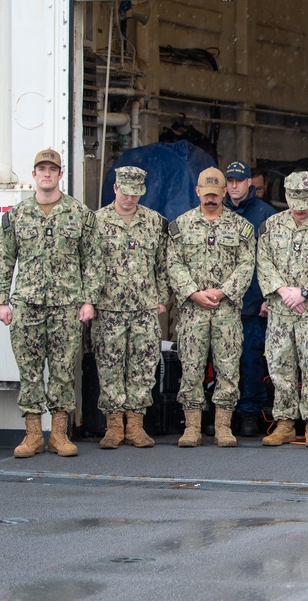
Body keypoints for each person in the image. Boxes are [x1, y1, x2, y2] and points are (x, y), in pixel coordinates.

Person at [0, 148, 97, 458]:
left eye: (53, 169)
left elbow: (92, 261)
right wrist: (1, 300)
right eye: (42, 169)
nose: (47, 173)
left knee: (64, 371)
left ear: (61, 174)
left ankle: (60, 434)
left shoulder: (80, 214)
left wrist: (89, 300)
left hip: (67, 306)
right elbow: (3, 259)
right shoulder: (16, 215)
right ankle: (33, 435)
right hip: (27, 305)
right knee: (30, 371)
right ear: (34, 174)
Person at [167, 167, 256, 448]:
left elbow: (246, 264)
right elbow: (173, 263)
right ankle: (192, 426)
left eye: (215, 195)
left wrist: (222, 291)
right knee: (191, 366)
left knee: (228, 368)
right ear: (197, 192)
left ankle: (223, 426)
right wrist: (193, 292)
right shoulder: (180, 226)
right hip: (194, 311)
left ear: (224, 193)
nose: (210, 200)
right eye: (206, 194)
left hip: (226, 310)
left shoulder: (241, 228)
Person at [89, 166, 170, 450]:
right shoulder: (97, 222)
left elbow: (162, 263)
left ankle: (135, 424)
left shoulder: (154, 222)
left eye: (136, 193)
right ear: (115, 188)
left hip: (144, 307)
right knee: (109, 366)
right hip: (108, 308)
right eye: (125, 192)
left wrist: (162, 297)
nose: (130, 198)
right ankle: (113, 426)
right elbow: (90, 265)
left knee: (143, 366)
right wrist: (89, 299)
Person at [257, 172, 308, 448]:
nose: (299, 207)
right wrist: (283, 291)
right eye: (294, 200)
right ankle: (285, 422)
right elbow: (264, 263)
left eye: (304, 200)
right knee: (280, 365)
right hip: (281, 309)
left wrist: (304, 291)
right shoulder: (271, 226)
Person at [224, 161, 276, 436]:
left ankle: (250, 414)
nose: (233, 186)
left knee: (251, 360)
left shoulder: (267, 215)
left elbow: (275, 260)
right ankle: (224, 413)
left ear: (249, 184)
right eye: (229, 181)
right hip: (222, 304)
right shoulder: (214, 212)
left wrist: (270, 296)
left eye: (238, 181)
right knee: (222, 361)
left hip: (254, 303)